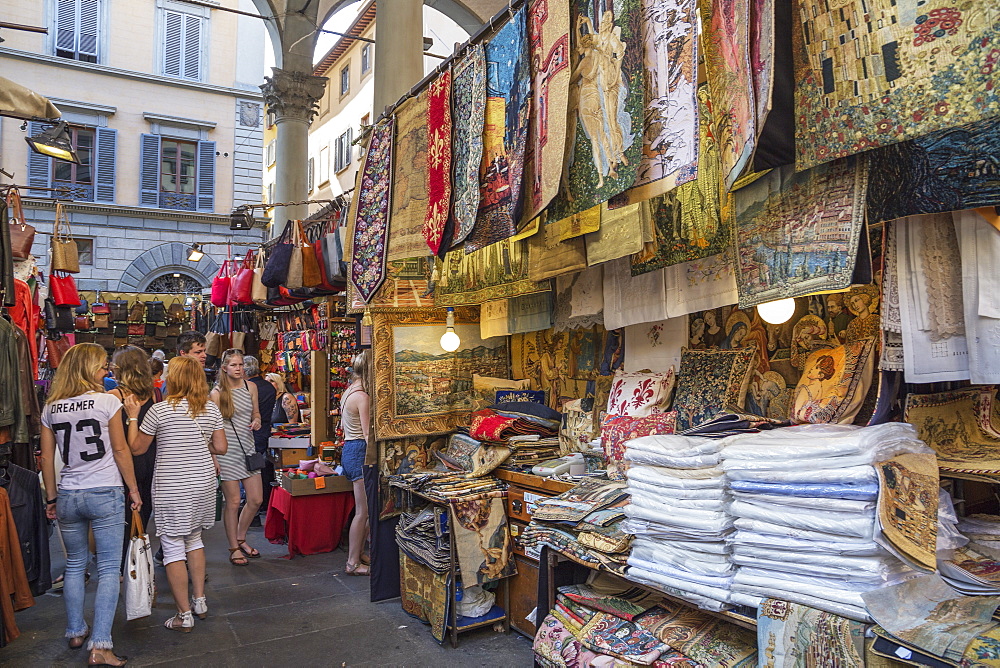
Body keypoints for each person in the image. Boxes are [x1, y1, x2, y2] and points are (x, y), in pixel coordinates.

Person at [38, 343, 141, 666]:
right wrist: (134, 489)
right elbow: (121, 450)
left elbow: (46, 460)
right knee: (109, 568)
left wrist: (51, 497)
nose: (106, 372)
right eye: (101, 366)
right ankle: (101, 644)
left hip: (69, 492)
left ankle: (75, 630)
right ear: (87, 369)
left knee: (74, 565)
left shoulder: (52, 407)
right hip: (105, 490)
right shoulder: (107, 401)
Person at [124, 356, 227, 632]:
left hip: (173, 483)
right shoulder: (210, 409)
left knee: (172, 546)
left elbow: (136, 448)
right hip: (203, 481)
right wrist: (198, 443)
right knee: (194, 538)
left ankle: (184, 614)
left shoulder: (160, 411)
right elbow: (221, 447)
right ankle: (200, 601)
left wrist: (133, 416)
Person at [107, 345, 159, 572]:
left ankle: (122, 567)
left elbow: (122, 444)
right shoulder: (153, 395)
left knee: (123, 517)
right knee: (143, 515)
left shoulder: (113, 397)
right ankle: (136, 562)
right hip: (151, 459)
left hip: (126, 462)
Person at [211, 350, 263, 566]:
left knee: (256, 499)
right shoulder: (217, 393)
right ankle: (234, 546)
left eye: (241, 364)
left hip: (248, 448)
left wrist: (257, 421)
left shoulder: (251, 387)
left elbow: (256, 413)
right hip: (227, 451)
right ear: (224, 368)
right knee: (232, 502)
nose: (238, 368)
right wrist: (214, 458)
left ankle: (241, 537)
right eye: (233, 365)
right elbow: (211, 428)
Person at [341, 351, 371, 576]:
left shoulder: (349, 391)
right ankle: (352, 562)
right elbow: (368, 434)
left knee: (364, 510)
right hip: (359, 449)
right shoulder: (362, 396)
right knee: (363, 511)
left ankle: (358, 553)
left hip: (350, 449)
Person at [244, 356, 276, 507]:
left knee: (248, 472)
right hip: (264, 432)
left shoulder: (247, 387)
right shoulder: (269, 387)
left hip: (249, 433)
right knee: (258, 471)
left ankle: (251, 506)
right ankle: (260, 504)